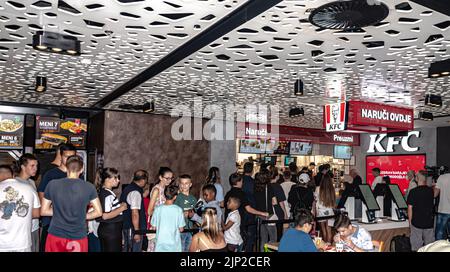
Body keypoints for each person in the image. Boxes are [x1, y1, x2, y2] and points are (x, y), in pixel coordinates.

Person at [40, 155, 102, 252]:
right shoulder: (89, 187)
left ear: (66, 167)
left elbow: (43, 211)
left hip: (56, 235)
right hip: (78, 236)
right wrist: (82, 215)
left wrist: (59, 212)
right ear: (82, 169)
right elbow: (98, 212)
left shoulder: (52, 184)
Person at [37, 143, 77, 251]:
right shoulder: (51, 174)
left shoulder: (77, 175)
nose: (69, 159)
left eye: (72, 157)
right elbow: (42, 193)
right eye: (66, 156)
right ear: (61, 155)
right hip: (51, 221)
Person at [0, 166, 40, 252]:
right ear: (13, 175)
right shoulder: (29, 188)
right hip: (23, 242)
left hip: (2, 244)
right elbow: (36, 214)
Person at [97, 168, 128, 252]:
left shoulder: (103, 192)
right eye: (116, 178)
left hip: (108, 229)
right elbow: (105, 215)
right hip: (111, 230)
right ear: (107, 179)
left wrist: (119, 207)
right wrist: (121, 208)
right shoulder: (107, 194)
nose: (118, 180)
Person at [14, 154, 40, 252]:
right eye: (32, 166)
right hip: (24, 229)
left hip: (34, 226)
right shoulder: (16, 183)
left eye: (36, 166)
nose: (35, 168)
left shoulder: (31, 182)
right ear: (23, 167)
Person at [120, 169, 149, 252]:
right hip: (132, 228)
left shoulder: (128, 188)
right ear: (143, 180)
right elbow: (135, 213)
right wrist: (137, 232)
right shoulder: (135, 192)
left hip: (127, 226)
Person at [151, 185, 185, 252]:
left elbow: (153, 227)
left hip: (160, 244)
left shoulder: (158, 209)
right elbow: (181, 229)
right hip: (174, 245)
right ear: (175, 197)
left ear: (164, 195)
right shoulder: (178, 210)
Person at [147, 167, 174, 251]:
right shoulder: (156, 190)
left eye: (171, 178)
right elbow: (149, 211)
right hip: (157, 225)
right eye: (167, 178)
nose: (169, 181)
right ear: (160, 177)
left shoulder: (166, 189)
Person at [407, 170, 435, 251]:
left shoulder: (413, 192)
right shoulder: (430, 191)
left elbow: (410, 208)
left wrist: (410, 223)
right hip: (429, 222)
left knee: (416, 247)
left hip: (416, 222)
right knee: (430, 247)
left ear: (417, 178)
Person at [254, 169, 277, 252]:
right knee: (273, 238)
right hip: (268, 216)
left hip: (259, 215)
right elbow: (274, 202)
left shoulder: (255, 187)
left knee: (263, 238)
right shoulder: (269, 187)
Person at [174, 174, 197, 252]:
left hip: (190, 229)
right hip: (180, 230)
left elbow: (196, 214)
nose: (184, 185)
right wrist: (182, 214)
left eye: (186, 183)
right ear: (179, 184)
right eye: (182, 183)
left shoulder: (193, 199)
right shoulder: (177, 197)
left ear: (190, 184)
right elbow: (174, 212)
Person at [314, 174, 335, 243]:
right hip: (330, 212)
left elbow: (316, 201)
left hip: (321, 212)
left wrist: (315, 211)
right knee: (329, 230)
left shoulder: (318, 189)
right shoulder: (332, 189)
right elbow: (333, 202)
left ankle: (325, 247)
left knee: (323, 230)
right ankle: (329, 245)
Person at [242, 162, 257, 252]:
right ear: (252, 170)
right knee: (251, 233)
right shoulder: (253, 182)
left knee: (241, 231)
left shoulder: (240, 180)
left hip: (241, 209)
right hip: (251, 209)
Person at [269, 167, 288, 241]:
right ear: (276, 176)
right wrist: (285, 213)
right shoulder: (277, 186)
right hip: (278, 212)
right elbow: (281, 202)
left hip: (269, 212)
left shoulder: (266, 186)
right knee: (278, 234)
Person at [434, 171, 450, 240]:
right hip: (444, 210)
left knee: (439, 234)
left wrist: (434, 185)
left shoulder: (442, 177)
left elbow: (435, 194)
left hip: (444, 210)